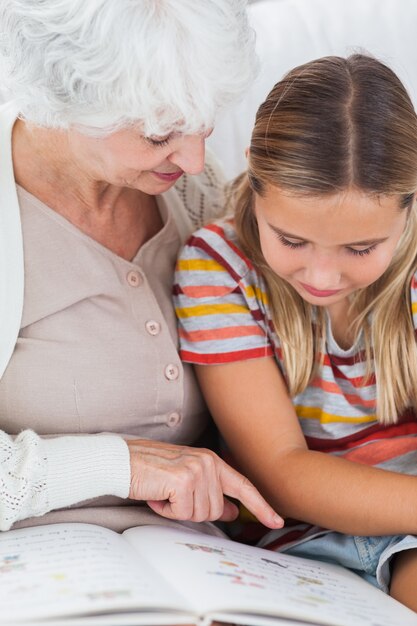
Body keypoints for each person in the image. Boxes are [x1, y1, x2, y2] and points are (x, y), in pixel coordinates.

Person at [0, 0, 283, 536]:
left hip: (203, 560)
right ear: (66, 99)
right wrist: (121, 467)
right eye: (159, 137)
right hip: (36, 561)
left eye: (203, 125)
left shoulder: (193, 195)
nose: (196, 160)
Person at [174, 53, 417, 611]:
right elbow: (282, 472)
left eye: (361, 249)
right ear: (256, 187)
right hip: (304, 534)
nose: (323, 277)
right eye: (292, 240)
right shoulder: (219, 267)